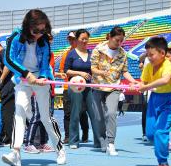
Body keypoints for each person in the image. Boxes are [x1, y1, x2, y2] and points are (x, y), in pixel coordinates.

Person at [1, 9, 66, 166]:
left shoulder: (43, 42)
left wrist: (43, 77)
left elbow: (45, 64)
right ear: (27, 26)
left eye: (43, 31)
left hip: (40, 78)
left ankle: (60, 149)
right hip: (22, 79)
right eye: (36, 30)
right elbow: (9, 59)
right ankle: (15, 152)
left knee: (45, 117)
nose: (39, 34)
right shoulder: (15, 38)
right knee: (20, 111)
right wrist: (26, 73)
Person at [90, 26, 138, 155]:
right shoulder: (98, 50)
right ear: (110, 37)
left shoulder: (122, 53)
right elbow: (93, 68)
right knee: (99, 118)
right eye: (117, 40)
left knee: (111, 113)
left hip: (114, 87)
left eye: (121, 40)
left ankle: (111, 142)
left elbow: (125, 71)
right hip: (98, 86)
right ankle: (102, 141)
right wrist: (102, 72)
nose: (119, 43)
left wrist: (133, 81)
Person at [138, 36, 171, 166]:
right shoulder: (148, 66)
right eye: (147, 55)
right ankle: (163, 141)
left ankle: (163, 163)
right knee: (150, 134)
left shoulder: (168, 65)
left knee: (160, 131)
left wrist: (146, 87)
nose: (149, 58)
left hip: (169, 101)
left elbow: (165, 80)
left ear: (162, 53)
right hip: (154, 100)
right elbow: (143, 82)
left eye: (151, 54)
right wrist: (139, 86)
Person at [64, 29, 99, 149]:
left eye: (86, 39)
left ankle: (98, 141)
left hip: (89, 87)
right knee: (75, 113)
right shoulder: (71, 54)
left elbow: (95, 69)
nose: (84, 41)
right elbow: (66, 71)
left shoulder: (91, 54)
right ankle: (73, 141)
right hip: (75, 88)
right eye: (82, 39)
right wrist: (80, 73)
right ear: (77, 40)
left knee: (94, 113)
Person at [58, 31, 90, 144]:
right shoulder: (67, 54)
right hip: (69, 87)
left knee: (82, 111)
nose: (71, 41)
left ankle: (85, 132)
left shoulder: (87, 53)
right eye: (69, 39)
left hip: (83, 88)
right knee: (67, 112)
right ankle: (67, 136)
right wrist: (63, 74)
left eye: (73, 39)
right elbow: (63, 70)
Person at [138, 52, 150, 141]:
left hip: (157, 87)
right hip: (146, 87)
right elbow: (140, 57)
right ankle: (145, 133)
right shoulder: (146, 58)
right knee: (145, 110)